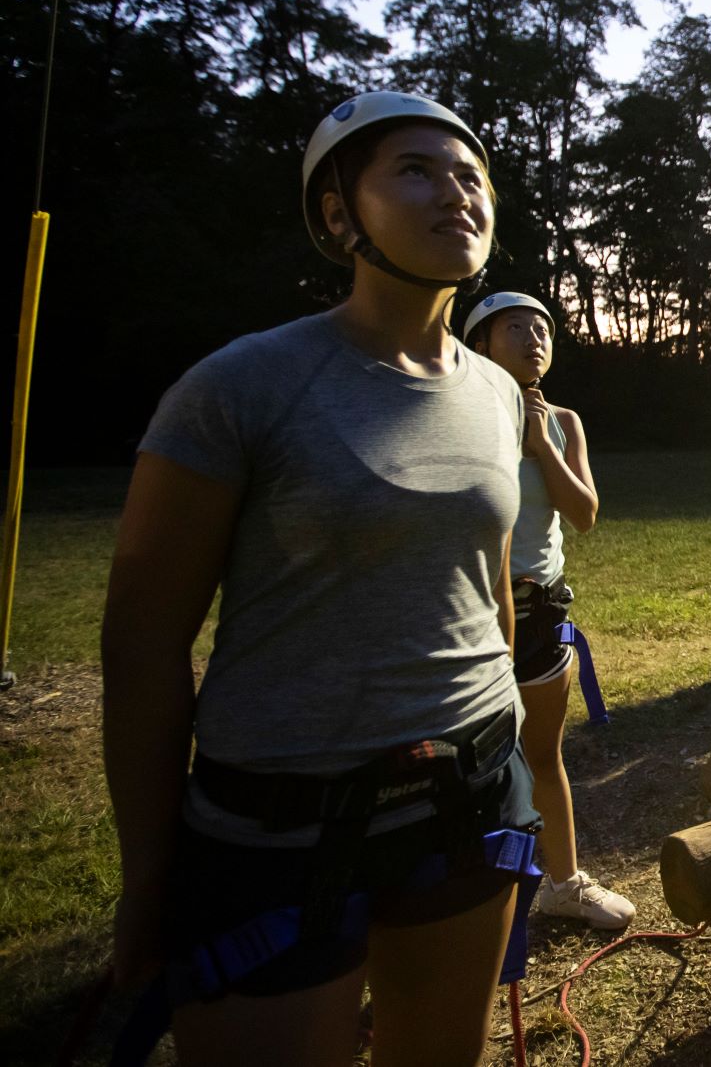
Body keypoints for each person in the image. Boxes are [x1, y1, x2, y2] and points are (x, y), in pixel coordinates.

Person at [101, 91, 541, 1064]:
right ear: (339, 214)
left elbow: (487, 585)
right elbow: (141, 643)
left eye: (471, 175)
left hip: (468, 805)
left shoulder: (499, 394)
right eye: (415, 171)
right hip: (277, 832)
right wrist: (148, 872)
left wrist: (506, 730)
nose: (456, 193)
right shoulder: (240, 387)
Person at [464, 291, 634, 931]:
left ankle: (564, 883)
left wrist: (542, 444)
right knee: (471, 766)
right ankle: (469, 902)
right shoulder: (457, 414)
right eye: (516, 328)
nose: (535, 337)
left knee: (542, 754)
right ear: (479, 342)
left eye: (543, 328)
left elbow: (584, 514)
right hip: (473, 614)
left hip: (540, 612)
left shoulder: (563, 420)